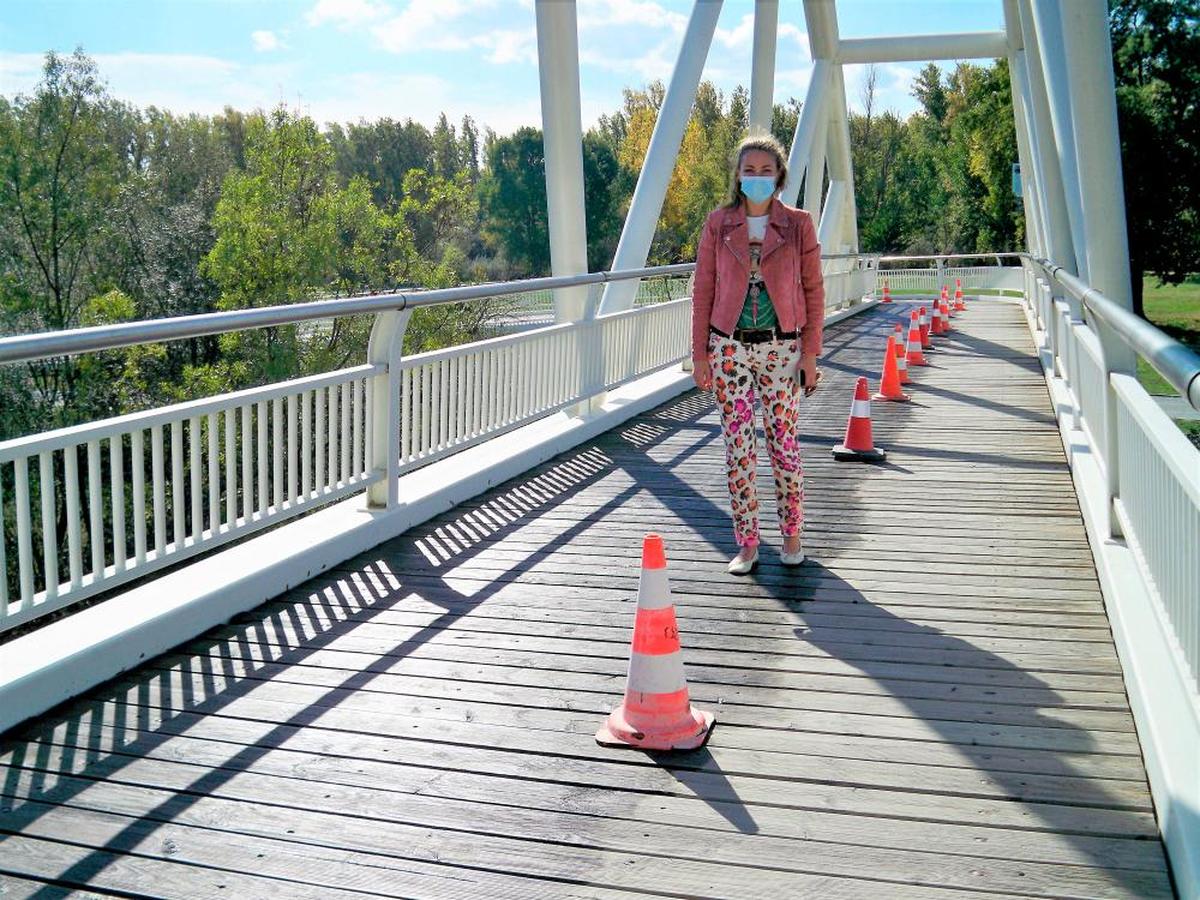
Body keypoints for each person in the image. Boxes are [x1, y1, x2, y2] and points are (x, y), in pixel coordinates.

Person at [690, 135, 825, 575]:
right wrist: (700, 355)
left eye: (767, 171)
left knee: (784, 444)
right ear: (738, 176)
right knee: (739, 448)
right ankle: (747, 542)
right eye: (750, 170)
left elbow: (813, 290)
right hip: (728, 347)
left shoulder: (799, 225)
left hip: (781, 346)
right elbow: (704, 290)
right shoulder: (718, 223)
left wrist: (811, 353)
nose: (758, 178)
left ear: (780, 176)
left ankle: (791, 535)